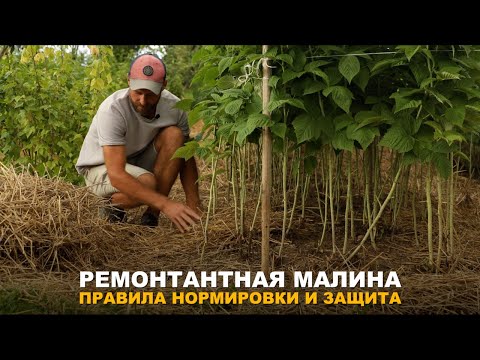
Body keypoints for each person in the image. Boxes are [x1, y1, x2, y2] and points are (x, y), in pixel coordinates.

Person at [75, 53, 201, 233]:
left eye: (150, 94)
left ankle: (150, 217)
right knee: (147, 183)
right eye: (138, 92)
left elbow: (186, 156)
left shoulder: (175, 108)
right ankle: (108, 206)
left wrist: (194, 204)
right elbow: (117, 174)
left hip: (136, 158)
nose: (143, 101)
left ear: (163, 86)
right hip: (100, 166)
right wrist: (167, 204)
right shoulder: (113, 110)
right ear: (128, 81)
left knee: (175, 135)